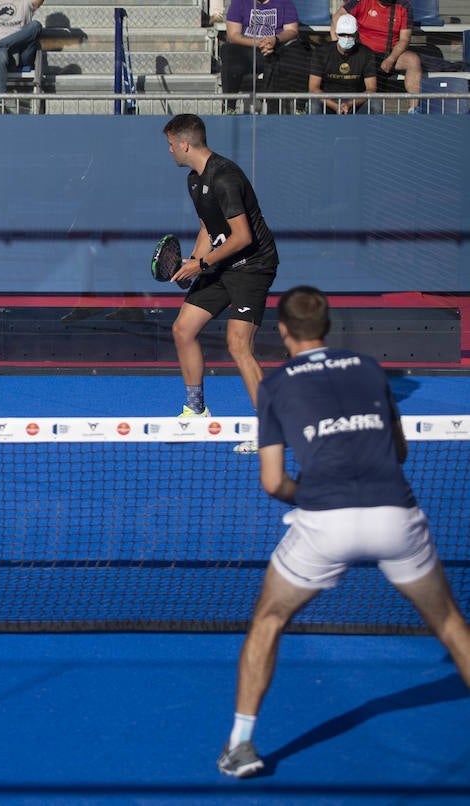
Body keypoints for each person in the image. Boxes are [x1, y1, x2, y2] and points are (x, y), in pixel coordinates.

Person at [216, 285, 470, 779]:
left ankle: (241, 745)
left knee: (268, 620)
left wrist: (308, 493)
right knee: (449, 623)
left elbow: (273, 482)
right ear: (327, 326)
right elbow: (399, 452)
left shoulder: (274, 387)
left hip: (324, 522)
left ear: (283, 331)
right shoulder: (371, 370)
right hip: (395, 515)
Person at [161, 114, 278, 449]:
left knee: (238, 345)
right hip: (221, 263)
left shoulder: (225, 177)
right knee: (183, 329)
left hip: (252, 266)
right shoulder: (194, 180)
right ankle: (196, 411)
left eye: (171, 144)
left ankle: (269, 428)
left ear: (185, 145)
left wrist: (202, 264)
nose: (169, 150)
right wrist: (192, 264)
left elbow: (242, 237)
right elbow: (207, 229)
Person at [219, 0, 300, 114]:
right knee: (228, 52)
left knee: (290, 56)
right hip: (247, 48)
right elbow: (233, 35)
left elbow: (292, 30)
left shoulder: (284, 2)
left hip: (276, 47)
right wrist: (258, 43)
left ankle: (275, 113)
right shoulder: (239, 2)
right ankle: (229, 108)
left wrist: (275, 40)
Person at [336, 0, 421, 97]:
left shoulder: (404, 5)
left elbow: (404, 39)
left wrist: (391, 59)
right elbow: (338, 17)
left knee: (413, 60)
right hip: (362, 53)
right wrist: (340, 48)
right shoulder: (361, 1)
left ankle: (414, 105)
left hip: (389, 54)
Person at [308, 14, 379, 114]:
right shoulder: (321, 52)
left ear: (356, 35)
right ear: (336, 34)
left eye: (350, 35)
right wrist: (335, 106)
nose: (346, 38)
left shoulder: (366, 54)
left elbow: (371, 89)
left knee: (376, 105)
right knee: (314, 105)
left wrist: (350, 104)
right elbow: (313, 88)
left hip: (356, 101)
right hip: (327, 100)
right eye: (342, 34)